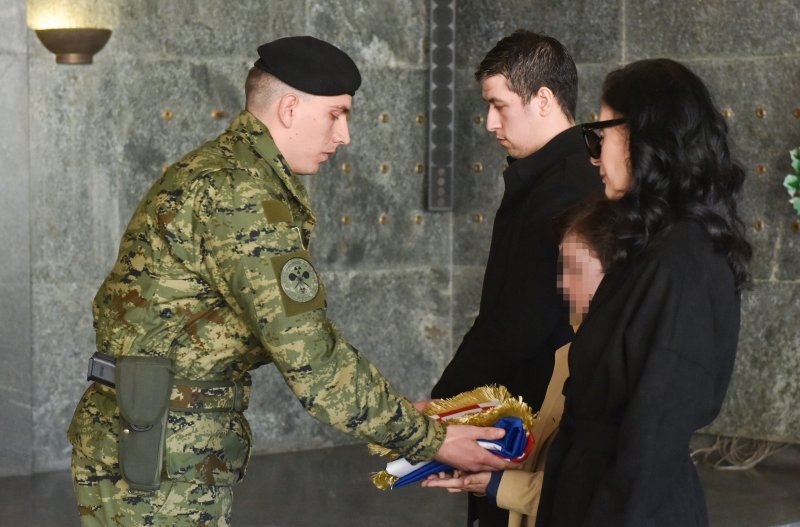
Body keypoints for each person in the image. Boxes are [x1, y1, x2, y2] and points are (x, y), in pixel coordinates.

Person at [67, 36, 515, 527]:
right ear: (288, 109)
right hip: (163, 451)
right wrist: (431, 438)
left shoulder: (222, 171)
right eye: (336, 115)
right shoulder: (242, 195)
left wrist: (401, 414)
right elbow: (311, 358)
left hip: (154, 433)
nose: (344, 135)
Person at [533, 58, 752, 526]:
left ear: (643, 137)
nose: (593, 156)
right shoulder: (655, 248)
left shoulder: (681, 263)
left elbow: (651, 438)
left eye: (600, 134)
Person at [430, 30, 601, 526]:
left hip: (532, 419)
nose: (489, 123)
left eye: (499, 106)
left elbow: (516, 322)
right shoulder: (556, 175)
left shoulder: (563, 188)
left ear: (544, 99)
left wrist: (439, 410)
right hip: (522, 412)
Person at [422, 196, 617, 527]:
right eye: (562, 269)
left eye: (576, 270)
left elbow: (598, 494)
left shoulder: (614, 364)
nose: (564, 285)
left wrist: (496, 483)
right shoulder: (575, 349)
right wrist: (484, 465)